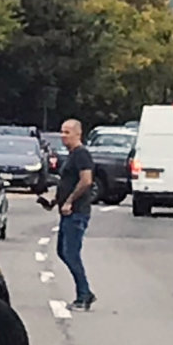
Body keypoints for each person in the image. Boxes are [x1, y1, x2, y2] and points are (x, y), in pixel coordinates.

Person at [44, 118, 96, 310]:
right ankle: (85, 292)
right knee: (62, 251)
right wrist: (54, 201)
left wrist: (69, 201)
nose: (63, 135)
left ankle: (84, 295)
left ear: (78, 134)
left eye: (67, 132)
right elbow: (66, 182)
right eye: (62, 131)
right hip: (67, 212)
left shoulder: (82, 154)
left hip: (77, 213)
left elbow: (86, 180)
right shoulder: (71, 155)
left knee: (71, 253)